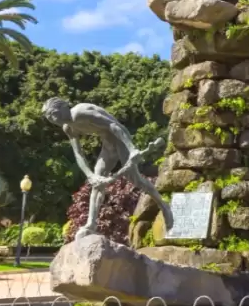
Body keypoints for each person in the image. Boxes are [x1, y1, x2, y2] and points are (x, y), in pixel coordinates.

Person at [42, 98, 171, 238]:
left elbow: (113, 125)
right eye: (50, 118)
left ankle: (164, 206)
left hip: (120, 138)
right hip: (108, 144)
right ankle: (91, 224)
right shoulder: (68, 127)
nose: (54, 120)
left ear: (64, 107)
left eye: (54, 114)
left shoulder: (80, 113)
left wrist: (131, 149)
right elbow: (78, 154)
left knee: (134, 179)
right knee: (97, 182)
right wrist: (90, 176)